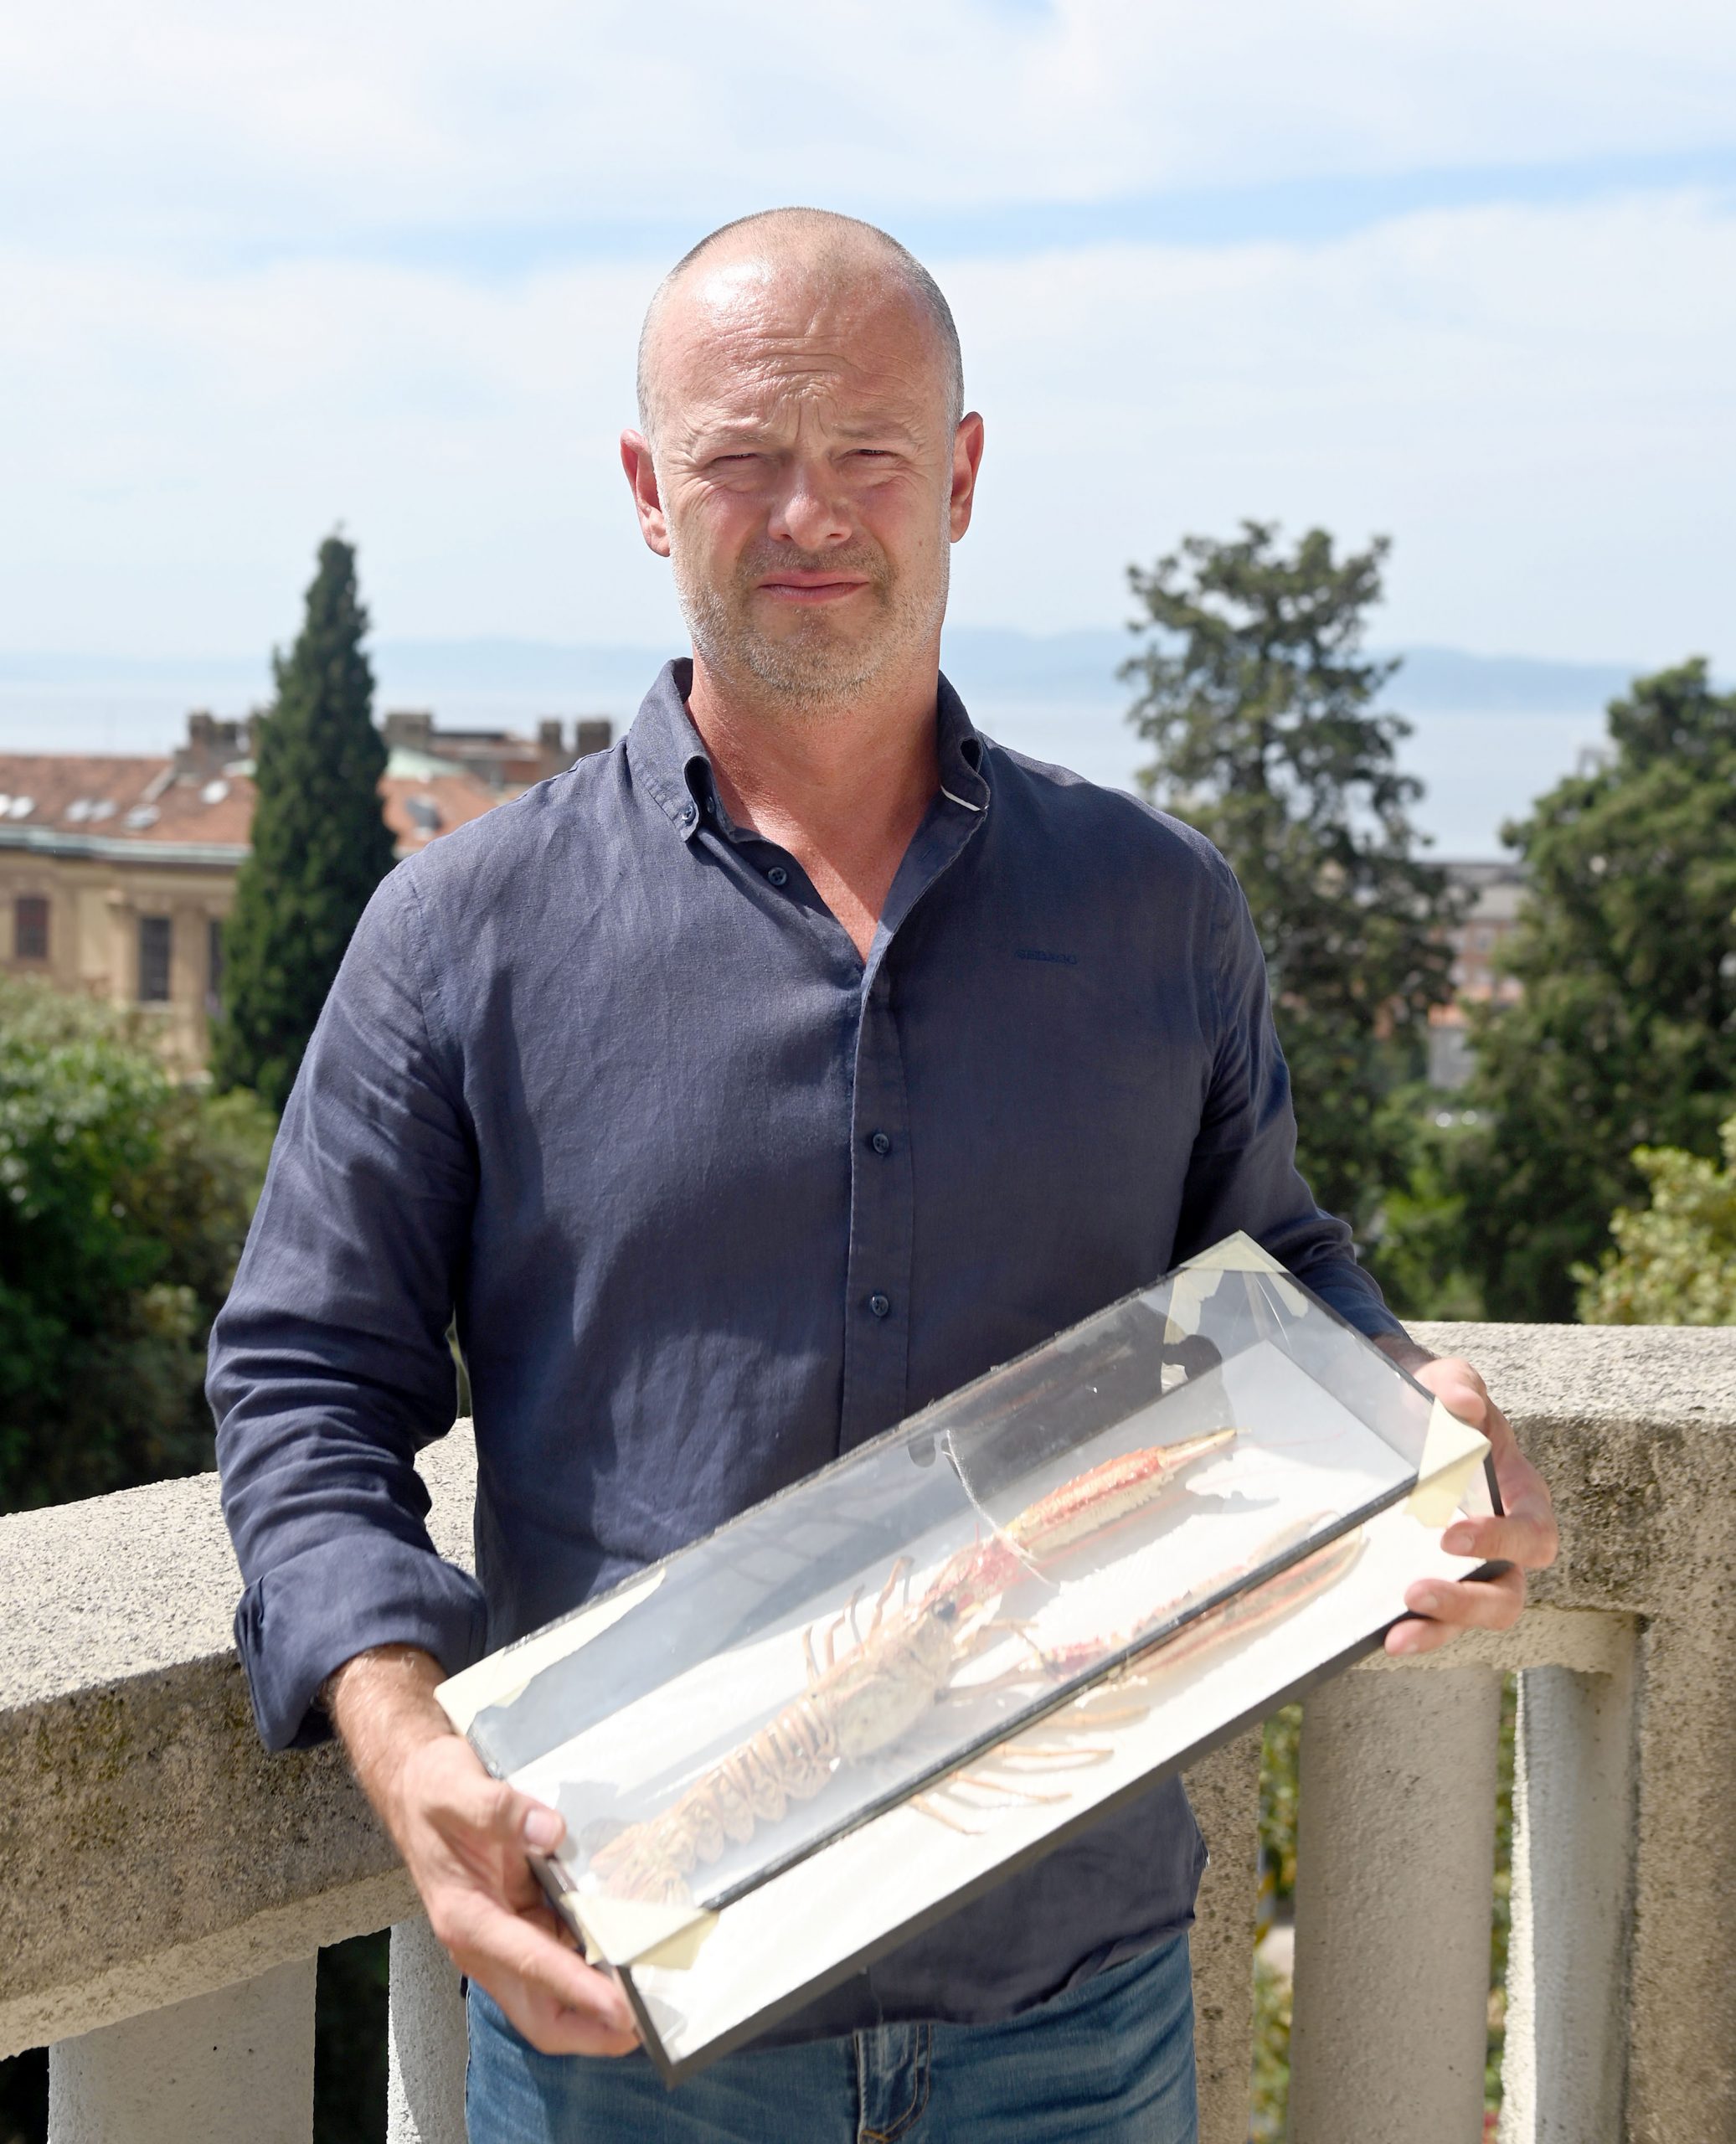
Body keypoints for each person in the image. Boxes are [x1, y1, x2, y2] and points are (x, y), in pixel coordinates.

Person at [210, 207, 1558, 2144]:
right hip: (626, 2035)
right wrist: (400, 1726)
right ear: (645, 493)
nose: (809, 512)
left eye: (866, 450)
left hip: (1077, 2020)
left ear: (961, 474)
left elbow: (1272, 1262)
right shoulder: (459, 932)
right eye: (740, 457)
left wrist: (1406, 1405)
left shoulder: (1158, 908)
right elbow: (304, 1378)